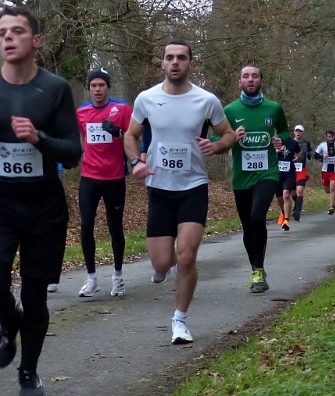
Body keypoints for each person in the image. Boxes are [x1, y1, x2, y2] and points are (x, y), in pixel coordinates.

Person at [0, 7, 82, 396]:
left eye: (17, 31)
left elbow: (73, 152)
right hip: (0, 205)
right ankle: (9, 323)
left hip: (45, 208)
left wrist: (39, 139)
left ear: (36, 40)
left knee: (35, 297)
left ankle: (29, 373)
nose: (7, 38)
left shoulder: (56, 88)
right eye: (2, 33)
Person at [123, 40, 234, 344]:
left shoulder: (206, 100)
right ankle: (166, 267)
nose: (175, 62)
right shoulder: (147, 99)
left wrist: (217, 146)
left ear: (191, 64)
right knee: (162, 263)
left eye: (181, 58)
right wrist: (136, 162)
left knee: (186, 257)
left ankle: (180, 321)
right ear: (162, 64)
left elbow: (227, 135)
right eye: (169, 58)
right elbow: (131, 136)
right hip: (159, 188)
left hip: (193, 186)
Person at [222, 65, 288, 293]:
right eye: (245, 76)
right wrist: (232, 137)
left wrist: (281, 141)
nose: (250, 79)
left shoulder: (274, 108)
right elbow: (216, 139)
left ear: (261, 81)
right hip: (241, 177)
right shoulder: (230, 110)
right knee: (248, 225)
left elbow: (285, 132)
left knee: (257, 216)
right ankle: (256, 269)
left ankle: (258, 270)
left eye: (255, 76)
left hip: (267, 172)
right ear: (239, 82)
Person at [76, 68, 133, 298]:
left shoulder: (122, 109)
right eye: (93, 85)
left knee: (115, 226)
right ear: (89, 88)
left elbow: (134, 138)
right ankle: (91, 279)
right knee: (86, 224)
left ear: (108, 87)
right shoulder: (81, 112)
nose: (97, 89)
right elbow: (82, 140)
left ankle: (117, 276)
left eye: (101, 85)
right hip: (89, 177)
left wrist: (119, 132)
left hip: (114, 178)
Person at [275, 125, 311, 229]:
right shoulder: (275, 142)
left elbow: (300, 151)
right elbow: (268, 155)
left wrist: (296, 158)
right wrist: (277, 151)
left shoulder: (293, 143)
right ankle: (283, 211)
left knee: (286, 194)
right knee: (279, 197)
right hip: (277, 173)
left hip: (289, 173)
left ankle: (286, 220)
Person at [314, 130, 335, 215]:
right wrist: (322, 156)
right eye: (329, 137)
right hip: (325, 170)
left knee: (332, 188)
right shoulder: (322, 145)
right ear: (326, 137)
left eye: (332, 137)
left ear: (334, 136)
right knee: (327, 190)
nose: (330, 139)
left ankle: (331, 207)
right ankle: (333, 202)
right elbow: (315, 155)